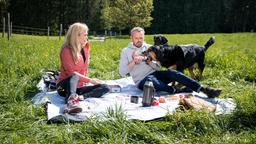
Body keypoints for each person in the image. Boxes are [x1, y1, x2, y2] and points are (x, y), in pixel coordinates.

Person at [119, 27, 222, 98]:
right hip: (141, 81)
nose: (139, 40)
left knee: (172, 72)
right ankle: (175, 90)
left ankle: (204, 90)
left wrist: (147, 60)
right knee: (150, 80)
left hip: (156, 75)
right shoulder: (126, 51)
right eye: (136, 38)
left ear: (144, 37)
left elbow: (158, 67)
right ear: (131, 38)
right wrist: (133, 61)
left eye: (141, 38)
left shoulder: (151, 48)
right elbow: (122, 72)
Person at [56, 22, 109, 114]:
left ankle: (80, 97)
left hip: (79, 87)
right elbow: (73, 74)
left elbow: (84, 68)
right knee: (74, 77)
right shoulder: (66, 50)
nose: (86, 37)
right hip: (63, 88)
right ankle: (71, 102)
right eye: (85, 35)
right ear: (77, 36)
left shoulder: (85, 48)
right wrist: (91, 80)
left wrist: (90, 82)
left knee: (105, 87)